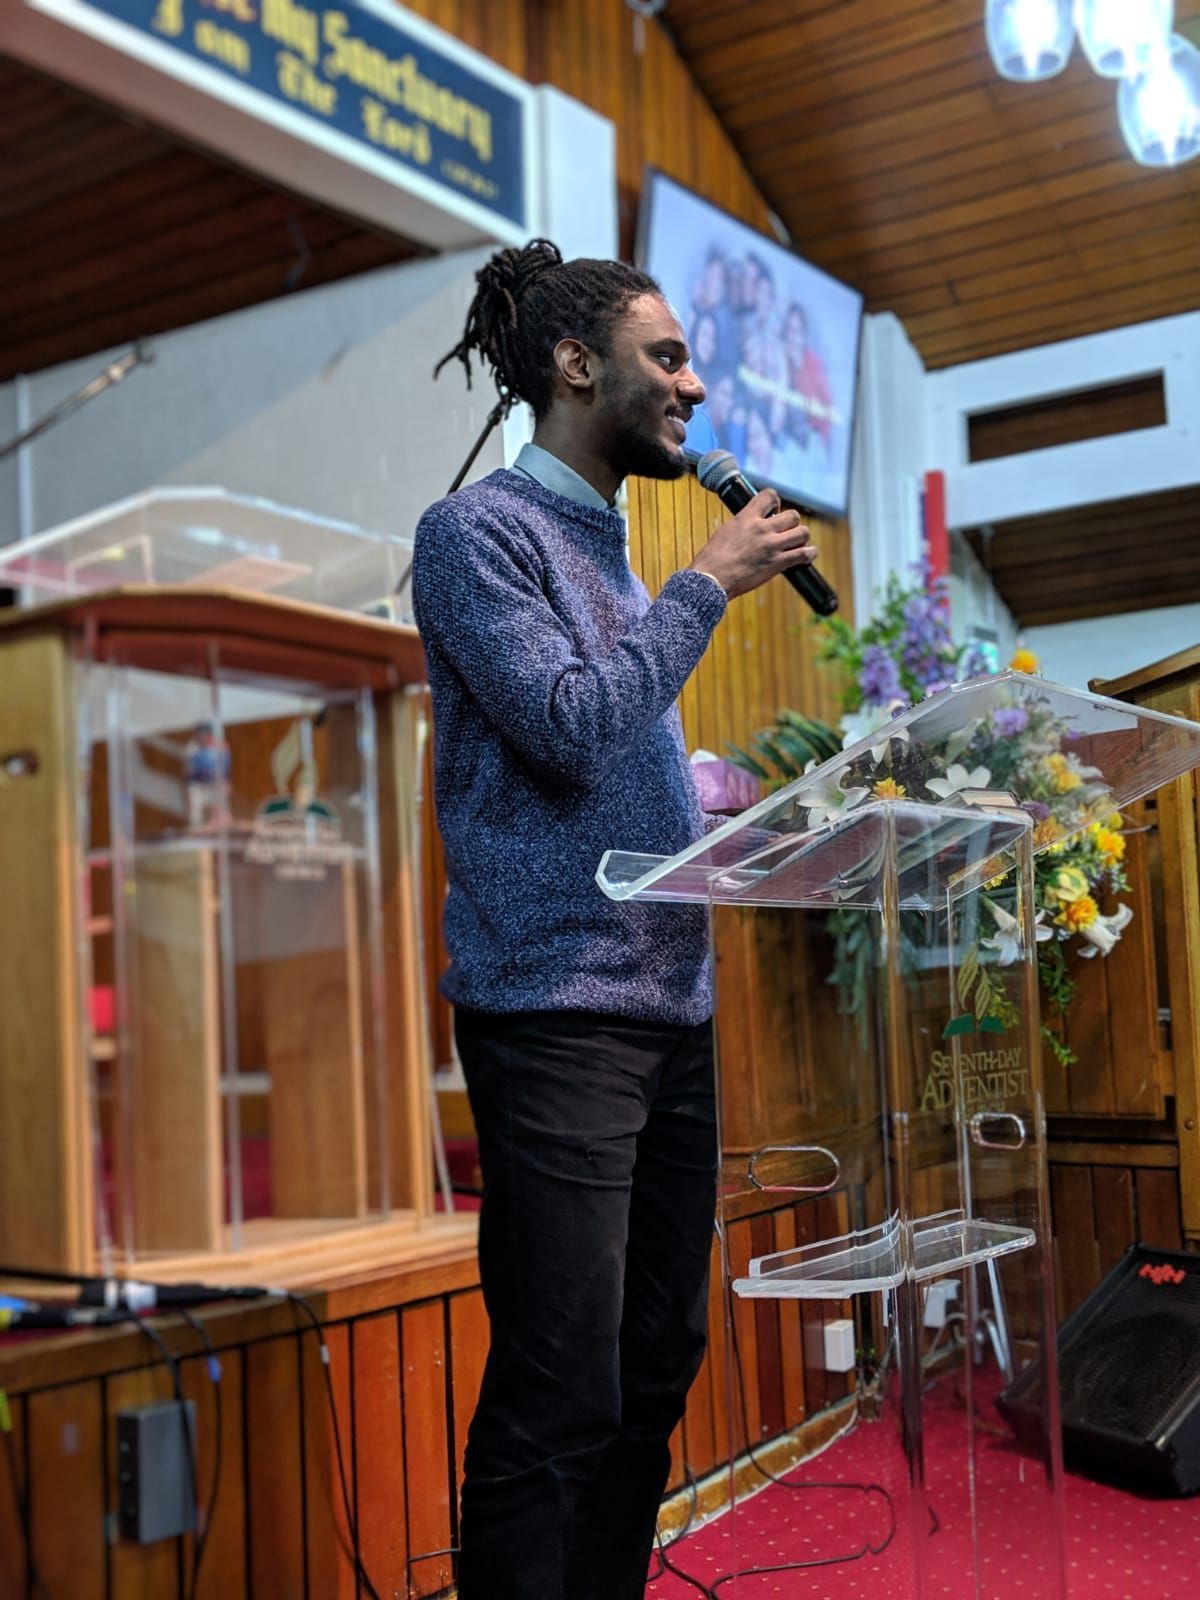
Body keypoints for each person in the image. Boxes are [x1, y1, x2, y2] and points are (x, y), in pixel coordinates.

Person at [411, 238, 817, 1600]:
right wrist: (710, 584)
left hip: (670, 1006)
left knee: (653, 1364)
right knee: (558, 1382)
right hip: (554, 1010)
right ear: (576, 365)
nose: (694, 388)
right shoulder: (476, 536)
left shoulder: (615, 552)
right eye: (669, 356)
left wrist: (723, 802)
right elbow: (574, 729)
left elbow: (614, 759)